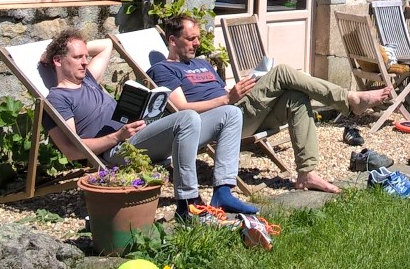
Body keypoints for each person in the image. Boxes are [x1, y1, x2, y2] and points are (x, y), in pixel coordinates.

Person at [148, 15, 392, 194]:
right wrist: (227, 99)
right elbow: (182, 110)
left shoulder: (202, 64)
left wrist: (246, 87)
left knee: (296, 99)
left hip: (240, 111)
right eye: (190, 39)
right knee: (282, 72)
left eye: (198, 38)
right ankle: (350, 99)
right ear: (172, 40)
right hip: (219, 122)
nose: (196, 43)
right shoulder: (163, 70)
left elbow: (223, 93)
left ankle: (306, 174)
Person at [40, 28, 254, 219]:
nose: (85, 62)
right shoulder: (57, 98)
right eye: (77, 57)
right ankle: (188, 202)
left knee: (231, 113)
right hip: (118, 149)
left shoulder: (88, 79)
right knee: (187, 117)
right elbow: (72, 151)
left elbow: (106, 45)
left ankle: (223, 192)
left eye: (86, 56)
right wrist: (117, 136)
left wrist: (57, 51)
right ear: (58, 61)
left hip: (138, 135)